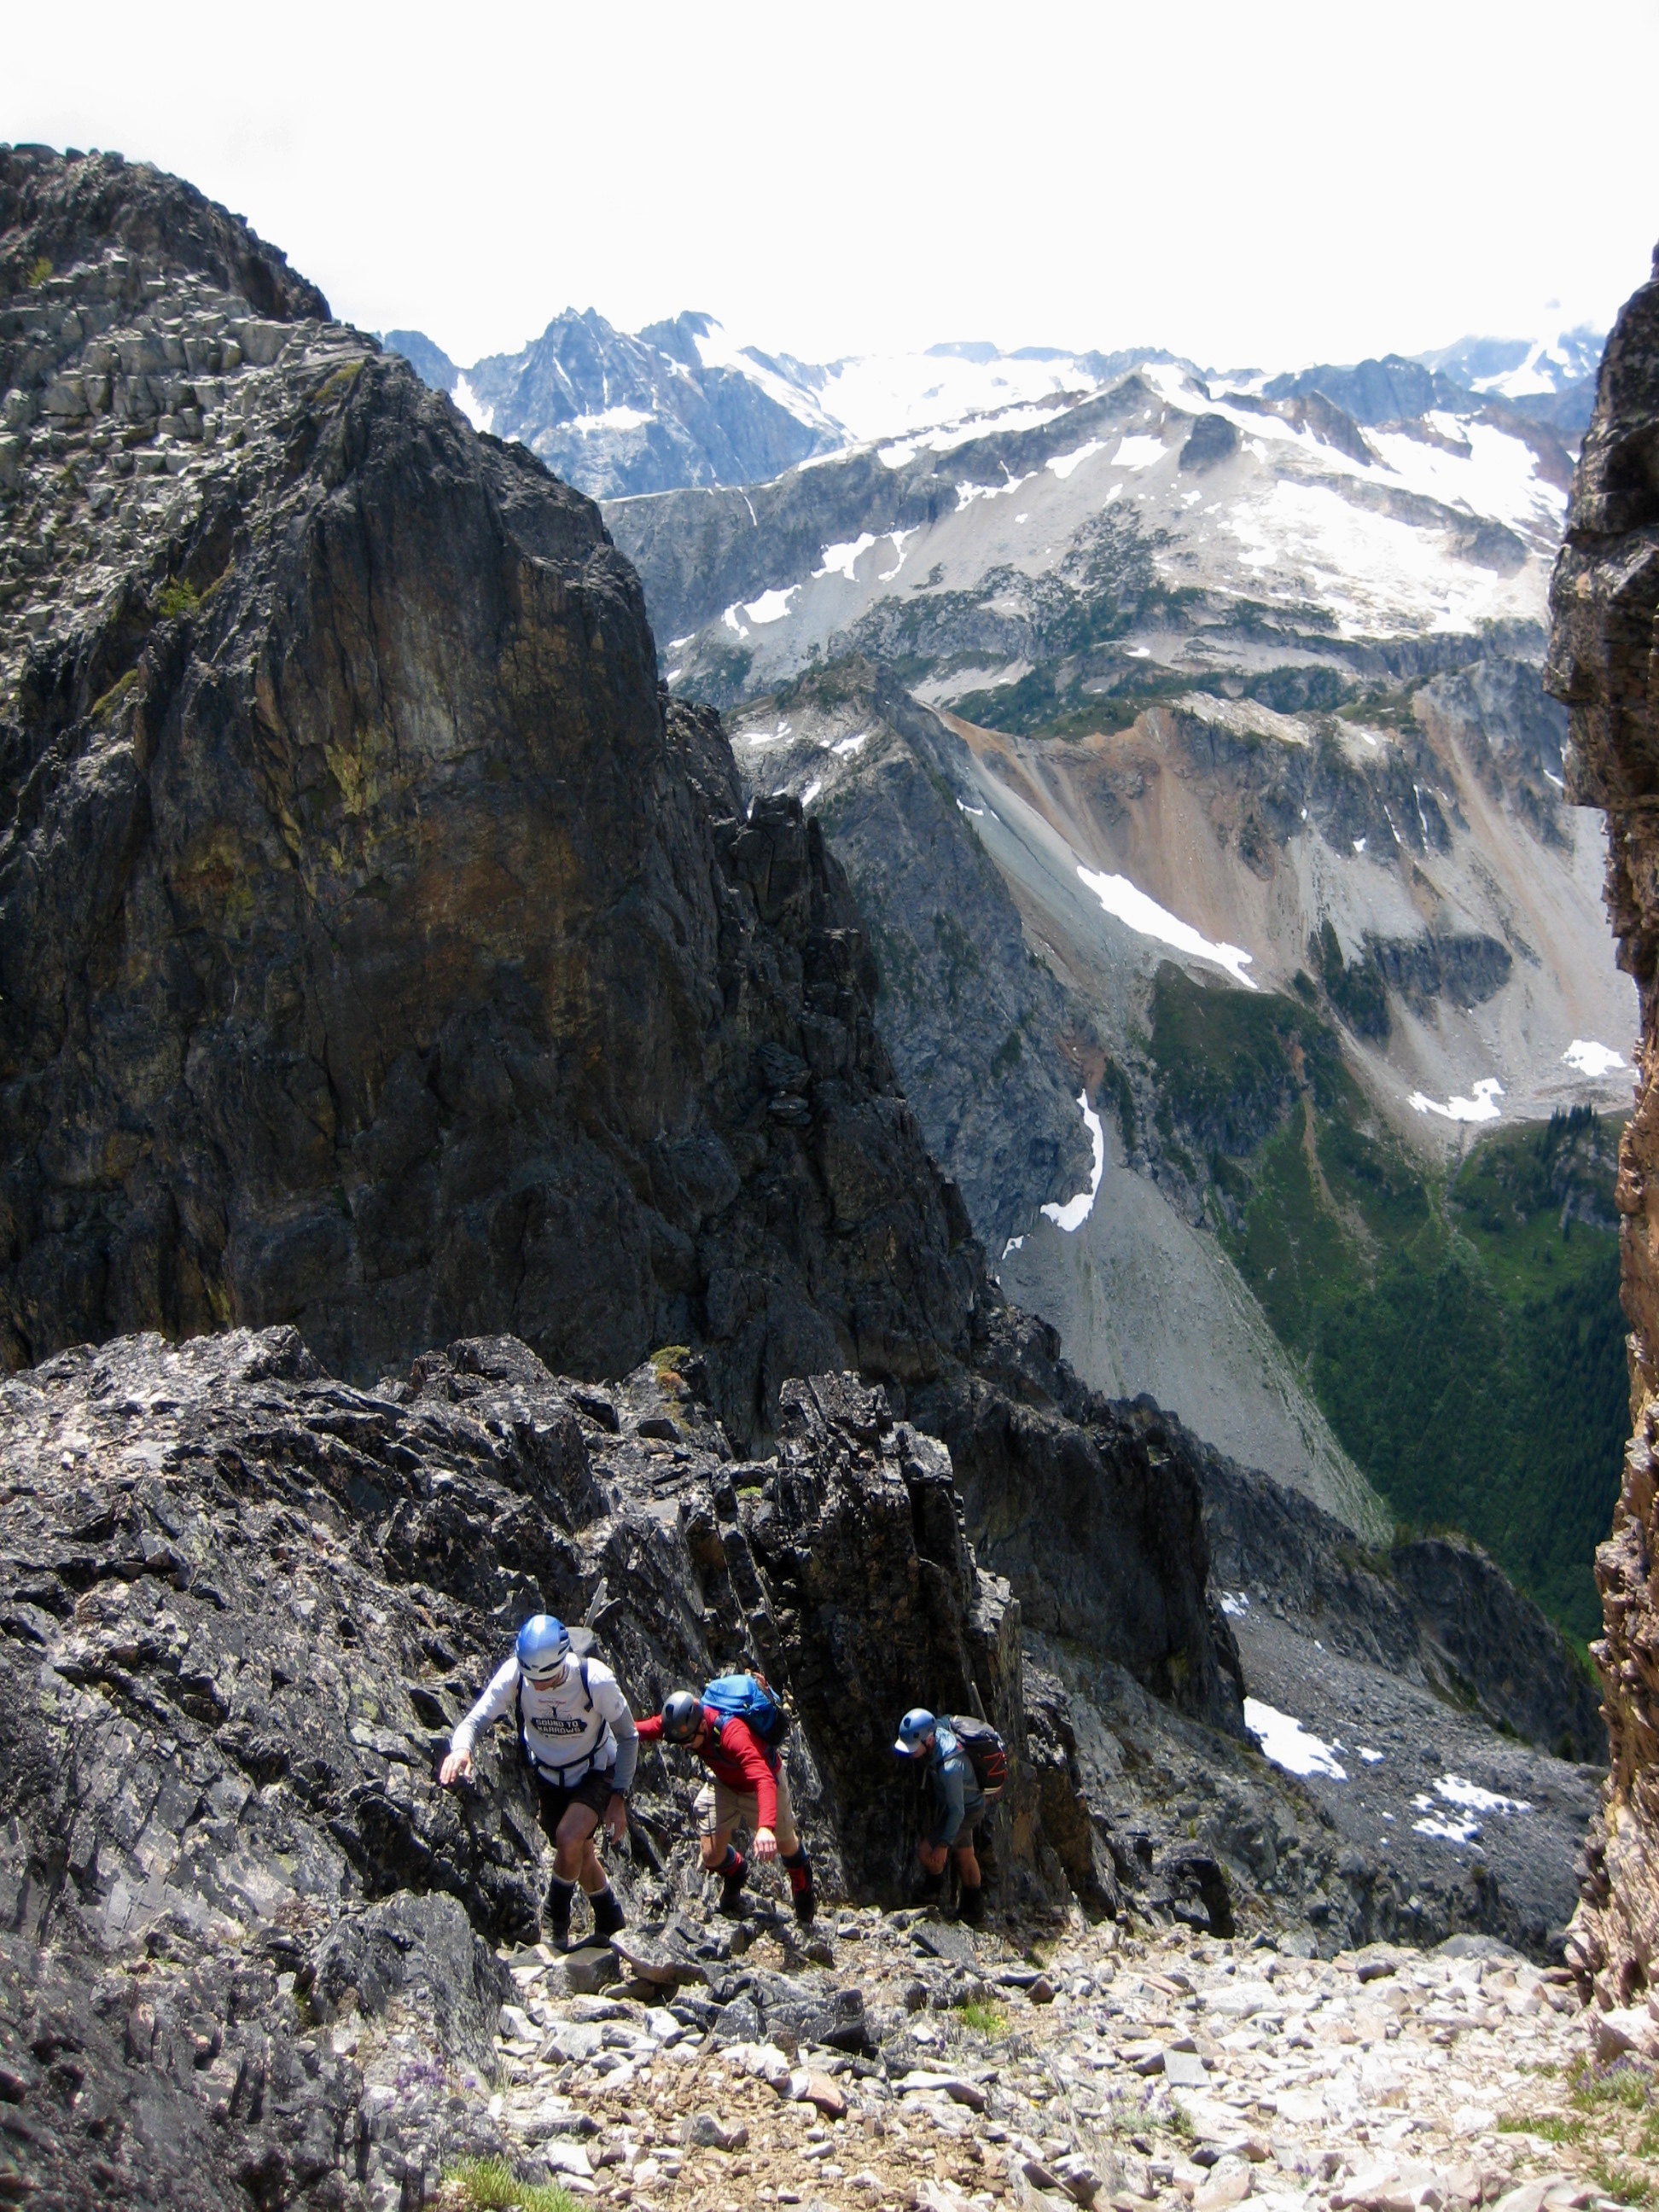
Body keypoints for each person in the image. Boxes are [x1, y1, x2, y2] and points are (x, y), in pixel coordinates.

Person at [439, 1615, 637, 1948]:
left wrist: (619, 1797)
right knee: (579, 1850)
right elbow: (474, 1720)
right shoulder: (516, 1675)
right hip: (548, 1775)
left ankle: (554, 1921)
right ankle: (610, 1918)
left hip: (597, 1768)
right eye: (533, 1680)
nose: (538, 1687)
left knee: (568, 1836)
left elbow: (629, 1737)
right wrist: (461, 1749)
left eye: (546, 1680)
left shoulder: (595, 1679)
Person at [637, 1685, 816, 1922]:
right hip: (723, 1783)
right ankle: (737, 1872)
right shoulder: (682, 1723)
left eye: (689, 1742)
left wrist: (765, 1827)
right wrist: (612, 1729)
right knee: (711, 1856)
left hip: (761, 1785)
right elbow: (648, 1728)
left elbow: (763, 1778)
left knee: (785, 1844)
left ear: (702, 1725)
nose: (686, 1747)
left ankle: (802, 1884)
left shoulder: (733, 1734)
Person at [894, 1707, 984, 1923]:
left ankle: (932, 1893)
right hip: (967, 1803)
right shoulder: (939, 1728)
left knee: (927, 1852)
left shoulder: (950, 1768)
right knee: (965, 1855)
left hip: (965, 1810)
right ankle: (973, 1910)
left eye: (913, 1747)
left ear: (929, 1742)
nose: (909, 1752)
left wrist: (943, 1845)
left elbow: (957, 1812)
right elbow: (944, 1720)